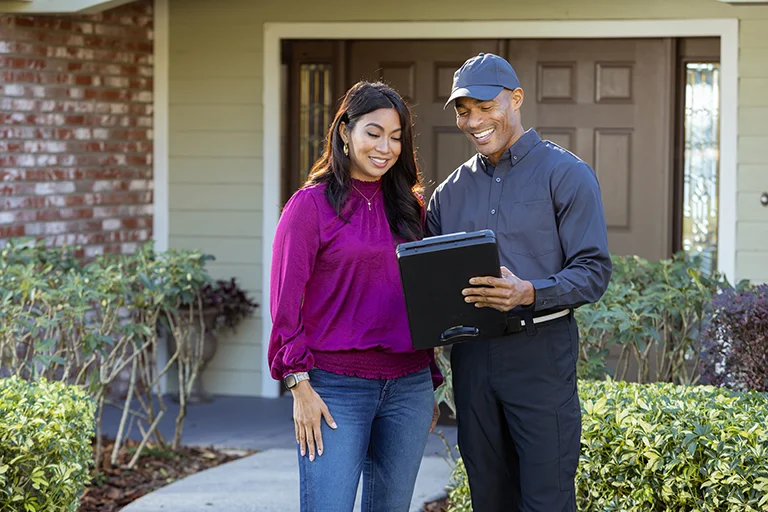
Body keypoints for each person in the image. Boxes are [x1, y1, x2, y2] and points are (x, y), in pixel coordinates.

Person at [427, 53, 612, 511]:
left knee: (547, 499)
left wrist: (529, 292)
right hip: (471, 362)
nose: (474, 121)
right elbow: (427, 288)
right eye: (463, 111)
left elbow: (593, 271)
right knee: (488, 497)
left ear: (516, 99)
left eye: (485, 106)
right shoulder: (447, 195)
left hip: (540, 356)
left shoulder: (565, 175)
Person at [268, 80, 443, 512]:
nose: (386, 146)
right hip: (335, 390)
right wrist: (298, 385)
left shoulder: (412, 210)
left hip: (409, 389)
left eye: (397, 136)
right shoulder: (309, 207)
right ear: (345, 132)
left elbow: (421, 300)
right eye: (374, 132)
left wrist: (431, 382)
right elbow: (284, 305)